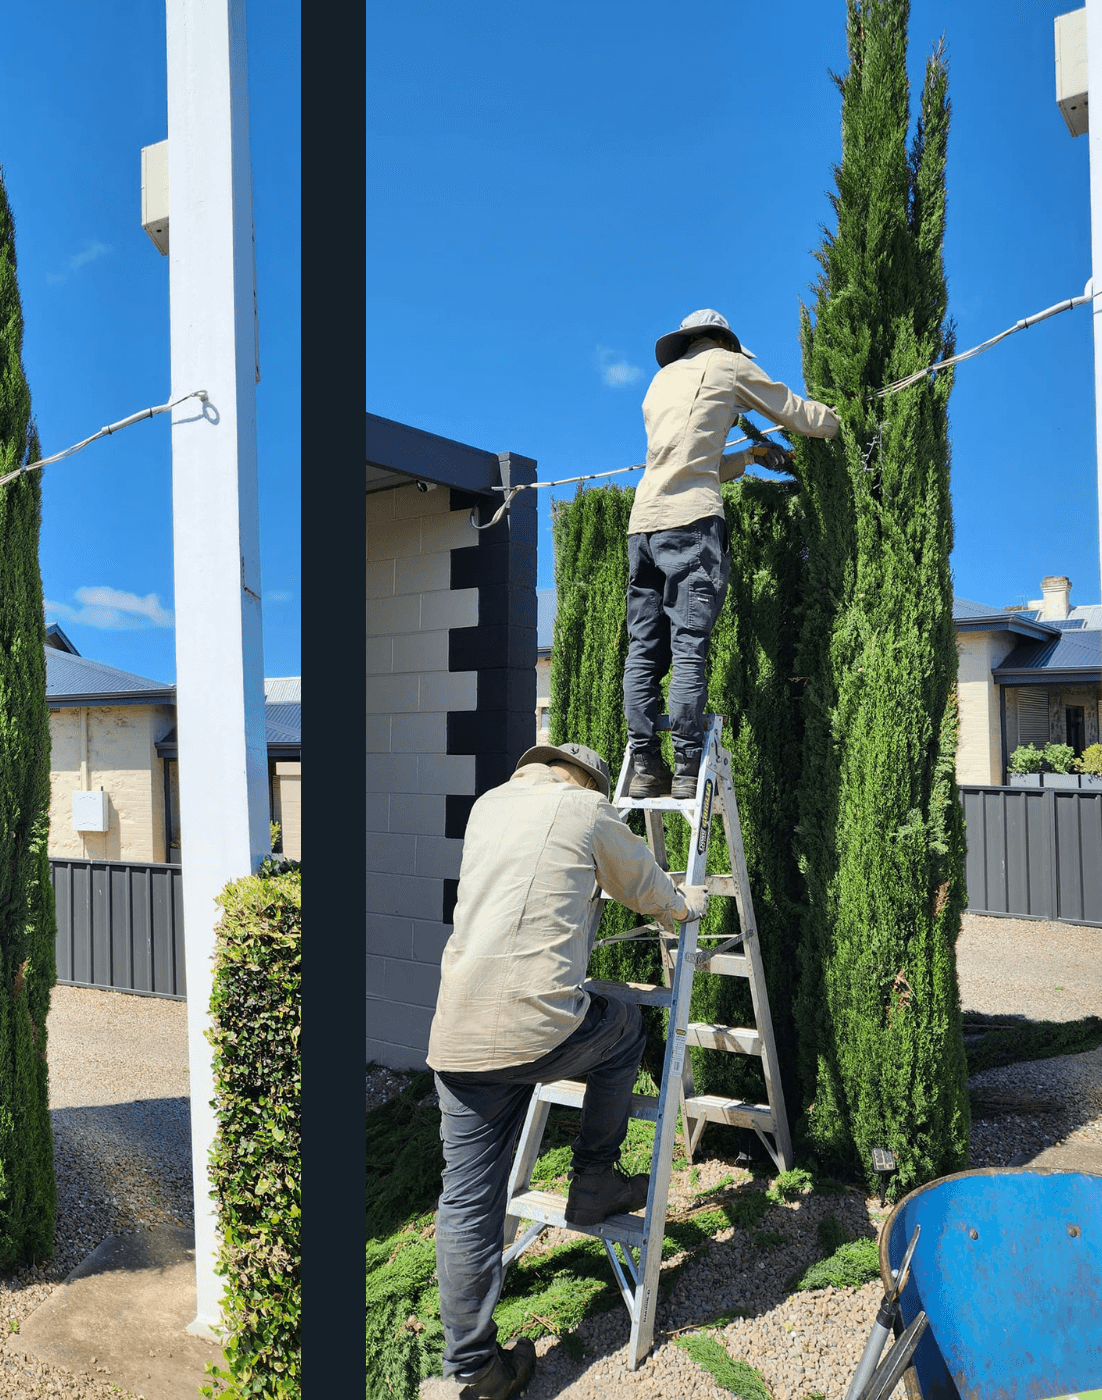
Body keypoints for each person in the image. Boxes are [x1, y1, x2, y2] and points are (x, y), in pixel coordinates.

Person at [425, 741, 709, 1399]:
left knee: (466, 1204)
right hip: (533, 1028)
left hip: (457, 1033)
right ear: (583, 779)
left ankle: (474, 1369)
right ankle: (595, 1178)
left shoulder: (489, 807)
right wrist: (687, 902)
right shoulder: (584, 809)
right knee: (624, 1027)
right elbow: (648, 891)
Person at [623, 307, 840, 799]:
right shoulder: (729, 364)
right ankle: (684, 765)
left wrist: (751, 456)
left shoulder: (659, 384)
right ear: (723, 341)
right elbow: (794, 412)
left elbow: (693, 461)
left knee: (643, 651)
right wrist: (838, 423)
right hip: (692, 523)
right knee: (688, 647)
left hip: (643, 527)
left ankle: (644, 764)